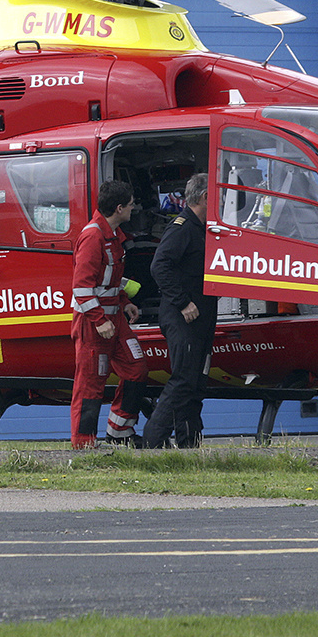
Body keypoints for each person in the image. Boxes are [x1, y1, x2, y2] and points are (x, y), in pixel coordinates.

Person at [141, 173, 219, 449]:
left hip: (202, 318)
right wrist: (182, 302)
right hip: (182, 317)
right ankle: (151, 444)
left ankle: (189, 447)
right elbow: (159, 266)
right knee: (183, 380)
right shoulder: (182, 227)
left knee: (196, 384)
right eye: (217, 195)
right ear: (205, 197)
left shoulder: (202, 228)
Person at [69, 180, 148, 448]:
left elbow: (110, 280)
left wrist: (124, 301)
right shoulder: (93, 237)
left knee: (136, 368)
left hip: (114, 321)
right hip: (95, 325)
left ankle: (119, 432)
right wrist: (100, 320)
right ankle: (83, 445)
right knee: (91, 385)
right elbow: (82, 288)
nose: (133, 208)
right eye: (130, 204)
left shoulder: (112, 236)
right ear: (118, 208)